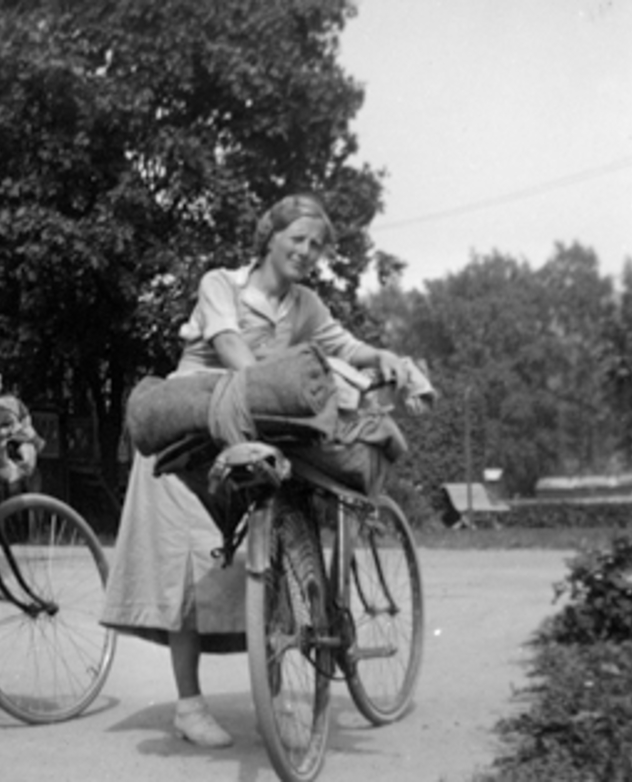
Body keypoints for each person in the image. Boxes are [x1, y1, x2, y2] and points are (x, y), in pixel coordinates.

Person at [101, 194, 408, 748]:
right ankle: (189, 706)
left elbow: (343, 342)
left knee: (261, 552)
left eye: (316, 245)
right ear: (270, 236)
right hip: (188, 434)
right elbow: (232, 349)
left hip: (253, 428)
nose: (307, 252)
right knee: (185, 571)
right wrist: (283, 388)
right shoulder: (222, 284)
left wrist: (379, 357)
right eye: (298, 239)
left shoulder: (305, 304)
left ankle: (274, 680)